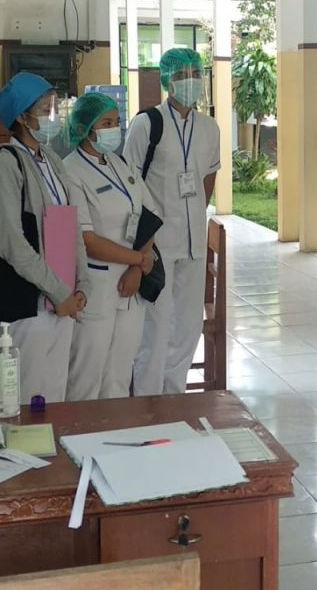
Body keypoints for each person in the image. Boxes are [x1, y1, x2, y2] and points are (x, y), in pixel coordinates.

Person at [123, 48, 220, 395]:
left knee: (188, 324)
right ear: (167, 80)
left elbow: (209, 175)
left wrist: (195, 211)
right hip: (158, 243)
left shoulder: (209, 127)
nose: (190, 81)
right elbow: (130, 181)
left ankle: (174, 392)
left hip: (193, 241)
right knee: (156, 323)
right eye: (181, 75)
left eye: (195, 74)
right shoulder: (146, 124)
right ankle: (148, 397)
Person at [0, 73, 89, 403]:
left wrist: (82, 286)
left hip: (62, 301)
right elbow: (11, 242)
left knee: (54, 397)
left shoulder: (52, 161)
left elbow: (73, 226)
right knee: (24, 399)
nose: (53, 116)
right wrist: (59, 292)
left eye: (55, 107)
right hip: (28, 304)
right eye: (45, 109)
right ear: (22, 117)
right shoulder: (5, 163)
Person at [62, 93, 158, 400]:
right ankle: (80, 429)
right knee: (86, 376)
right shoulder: (70, 171)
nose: (113, 129)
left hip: (132, 284)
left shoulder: (122, 163)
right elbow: (86, 241)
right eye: (105, 123)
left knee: (119, 374)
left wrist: (136, 268)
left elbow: (149, 216)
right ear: (85, 127)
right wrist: (139, 260)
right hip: (97, 284)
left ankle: (116, 427)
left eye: (116, 122)